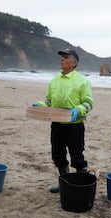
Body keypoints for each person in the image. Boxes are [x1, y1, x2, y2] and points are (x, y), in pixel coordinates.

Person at [33, 48, 93, 193]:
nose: (62, 59)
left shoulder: (82, 81)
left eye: (66, 57)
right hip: (57, 124)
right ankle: (65, 183)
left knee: (77, 157)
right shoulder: (54, 81)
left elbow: (89, 103)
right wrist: (40, 105)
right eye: (62, 57)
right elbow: (49, 101)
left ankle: (81, 185)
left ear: (74, 63)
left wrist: (77, 110)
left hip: (75, 125)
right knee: (58, 155)